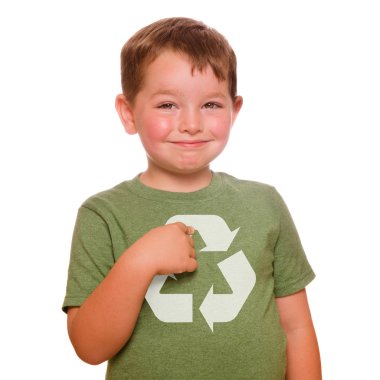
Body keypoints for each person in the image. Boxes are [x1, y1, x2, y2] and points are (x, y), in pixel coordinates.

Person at [63, 17, 321, 379]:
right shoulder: (103, 215)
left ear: (235, 110)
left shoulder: (266, 205)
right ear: (128, 112)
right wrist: (139, 262)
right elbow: (89, 348)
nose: (191, 123)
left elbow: (296, 328)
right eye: (167, 105)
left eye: (211, 105)